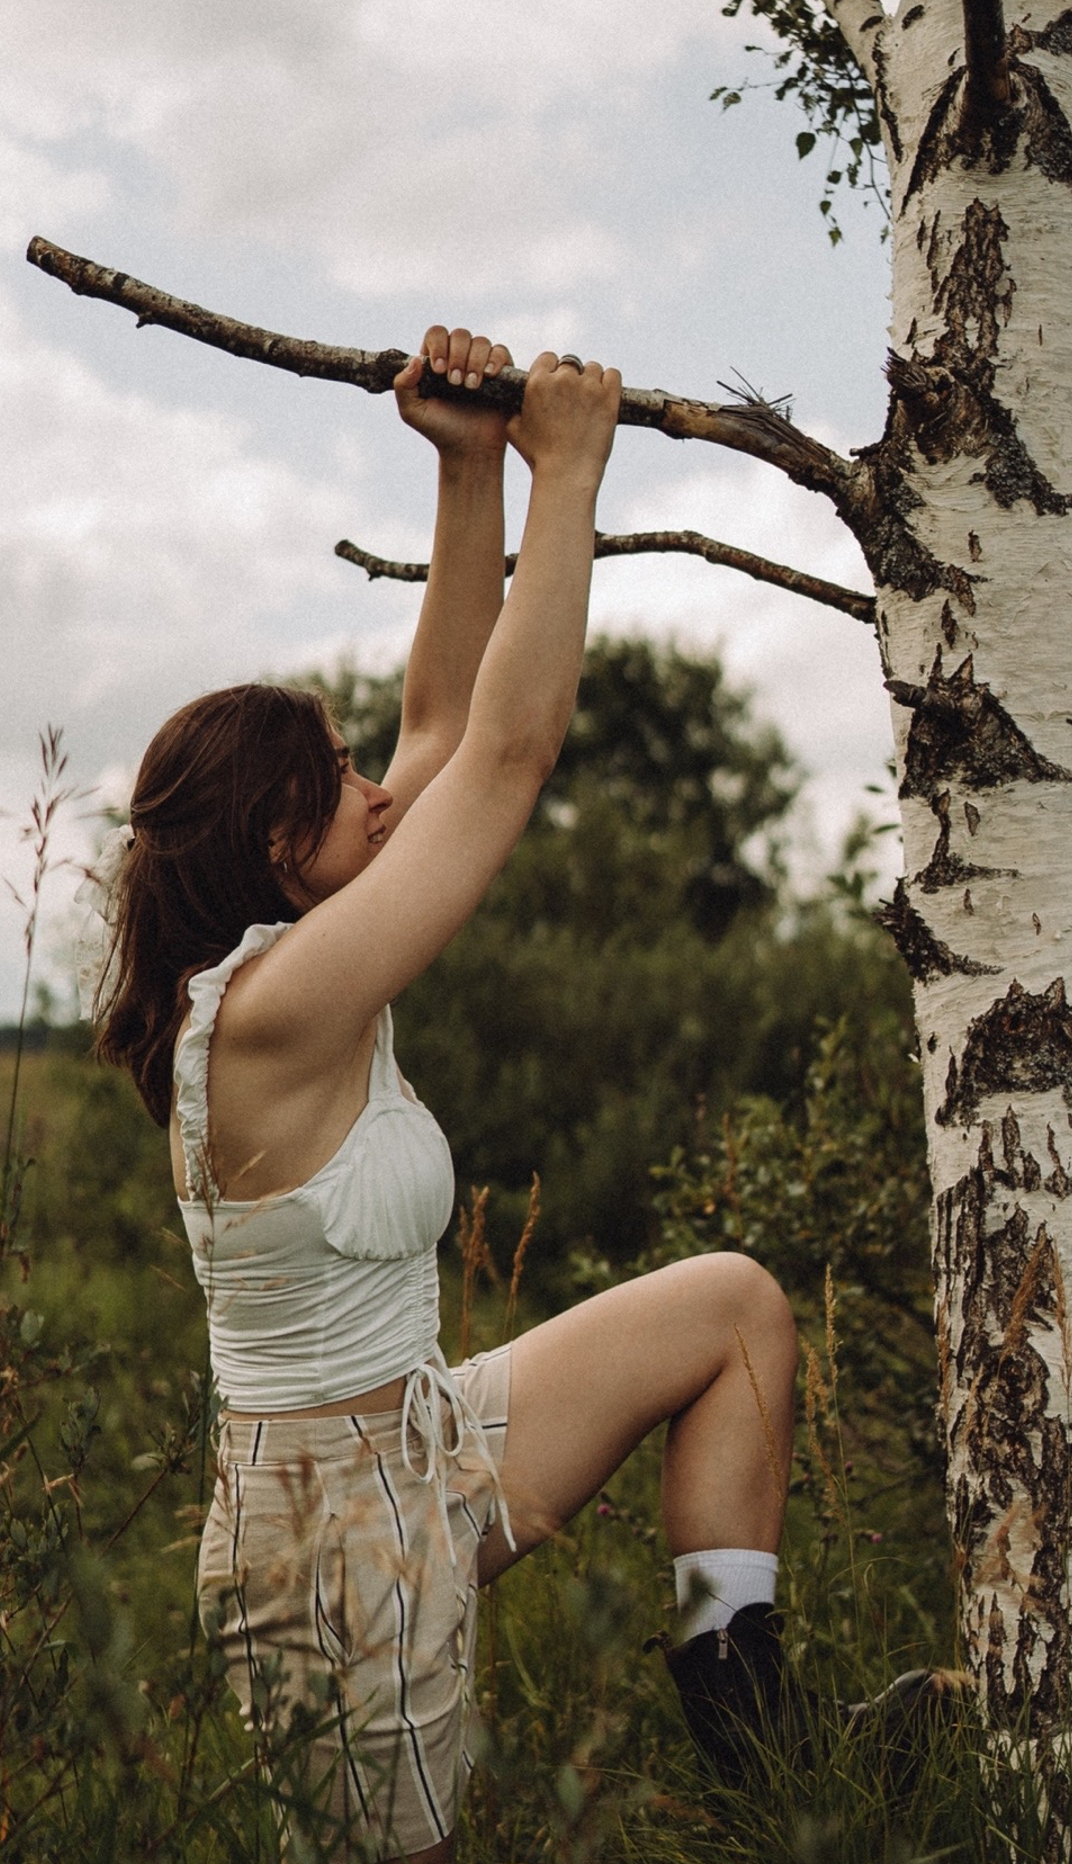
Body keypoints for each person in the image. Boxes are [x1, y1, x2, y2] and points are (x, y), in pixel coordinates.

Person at [94, 328, 934, 1862]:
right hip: (330, 1546)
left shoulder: (306, 953)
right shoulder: (275, 1014)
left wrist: (468, 469)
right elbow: (506, 753)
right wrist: (570, 473)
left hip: (429, 1443)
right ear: (283, 848)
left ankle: (745, 1724)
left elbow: (440, 737)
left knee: (733, 1309)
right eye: (337, 783)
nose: (377, 794)